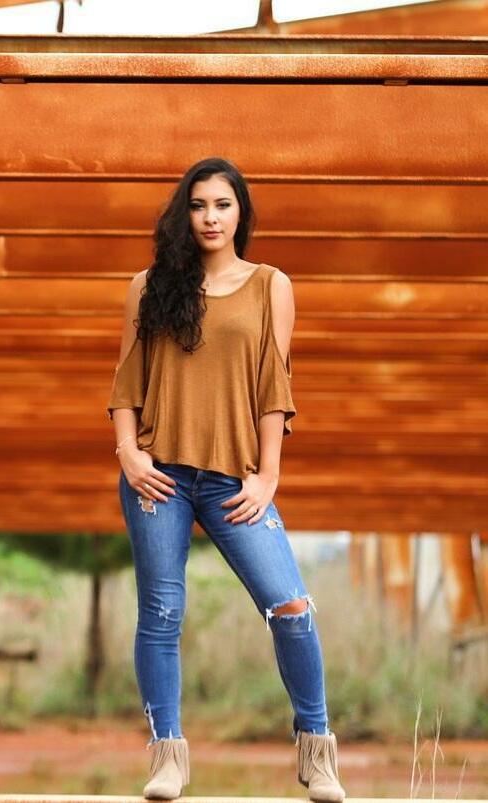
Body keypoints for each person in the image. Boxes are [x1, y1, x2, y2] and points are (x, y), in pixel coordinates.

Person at [106, 156, 346, 802]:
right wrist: (129, 454)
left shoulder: (271, 285)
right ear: (184, 215)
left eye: (222, 204)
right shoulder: (149, 286)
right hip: (158, 473)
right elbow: (127, 380)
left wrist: (268, 476)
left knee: (290, 606)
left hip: (234, 479)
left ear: (241, 212)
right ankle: (167, 758)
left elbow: (274, 387)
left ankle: (317, 751)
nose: (210, 217)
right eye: (198, 205)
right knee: (162, 611)